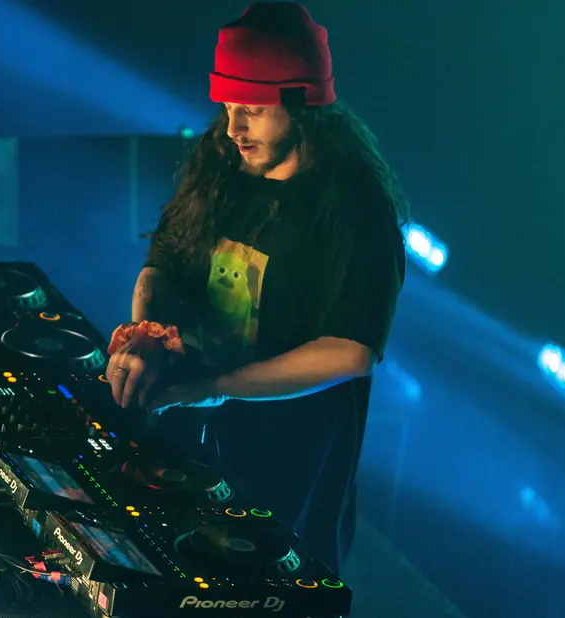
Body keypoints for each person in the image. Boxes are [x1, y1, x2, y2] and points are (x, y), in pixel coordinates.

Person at [105, 2, 407, 573]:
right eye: (226, 108)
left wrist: (219, 384)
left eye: (251, 111)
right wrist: (144, 336)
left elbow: (351, 349)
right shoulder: (222, 157)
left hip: (288, 464)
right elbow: (162, 263)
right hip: (191, 437)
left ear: (304, 104)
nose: (233, 128)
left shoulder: (355, 208)